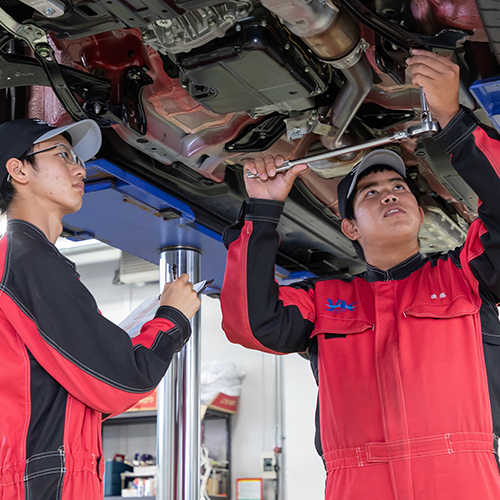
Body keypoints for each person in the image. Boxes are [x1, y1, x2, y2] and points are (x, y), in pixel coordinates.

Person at [220, 50, 500, 499]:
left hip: (462, 480)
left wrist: (453, 119)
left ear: (420, 211)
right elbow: (251, 324)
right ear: (349, 226)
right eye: (370, 191)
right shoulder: (322, 301)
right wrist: (264, 211)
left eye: (398, 187)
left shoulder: (464, 275)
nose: (389, 195)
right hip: (359, 484)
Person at [0, 118, 200, 499]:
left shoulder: (22, 261)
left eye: (77, 157)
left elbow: (75, 391)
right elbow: (118, 380)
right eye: (63, 155)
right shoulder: (28, 261)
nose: (79, 168)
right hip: (49, 480)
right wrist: (171, 318)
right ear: (18, 169)